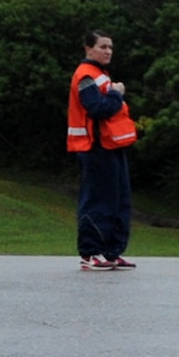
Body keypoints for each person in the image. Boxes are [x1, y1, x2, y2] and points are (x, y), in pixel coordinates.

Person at [67, 30, 139, 270]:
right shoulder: (86, 75)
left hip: (112, 145)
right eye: (103, 46)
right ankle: (91, 253)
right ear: (88, 49)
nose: (108, 51)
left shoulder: (101, 75)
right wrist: (116, 94)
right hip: (95, 147)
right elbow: (96, 108)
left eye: (110, 47)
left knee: (119, 200)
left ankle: (111, 252)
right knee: (98, 201)